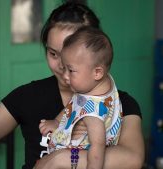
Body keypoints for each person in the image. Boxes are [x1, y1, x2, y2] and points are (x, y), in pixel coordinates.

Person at [0, 2, 144, 169]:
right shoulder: (27, 96)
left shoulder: (121, 103)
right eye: (53, 54)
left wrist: (62, 159)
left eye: (71, 57)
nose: (63, 66)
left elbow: (132, 158)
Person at [39, 26, 122, 169]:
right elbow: (73, 106)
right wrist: (56, 121)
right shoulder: (98, 84)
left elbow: (97, 147)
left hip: (72, 159)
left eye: (71, 70)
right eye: (65, 69)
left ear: (97, 73)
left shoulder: (93, 114)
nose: (65, 75)